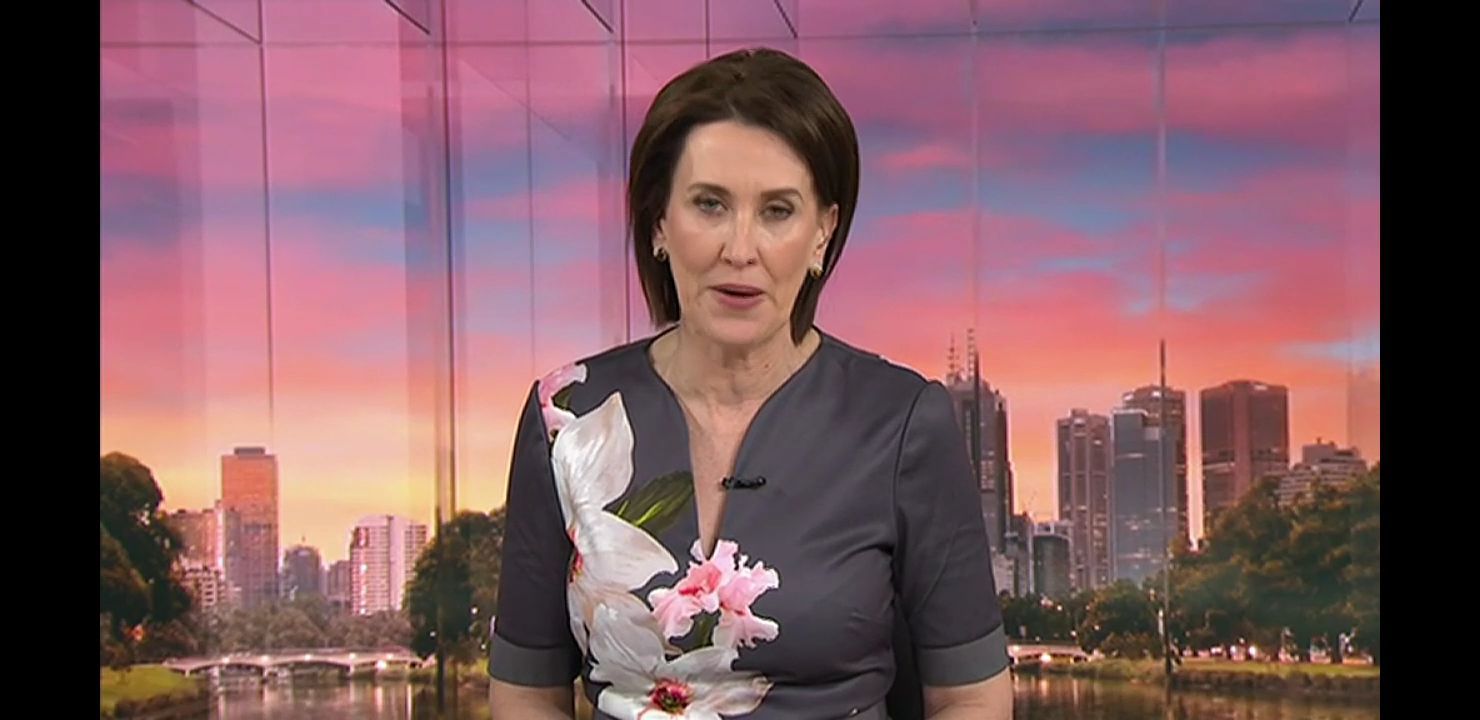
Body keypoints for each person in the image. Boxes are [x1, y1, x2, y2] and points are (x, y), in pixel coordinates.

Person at [488, 47, 1012, 720]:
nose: (740, 249)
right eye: (709, 205)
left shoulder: (902, 423)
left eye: (777, 211)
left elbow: (971, 697)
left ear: (822, 233)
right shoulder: (566, 418)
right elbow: (527, 692)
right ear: (659, 222)